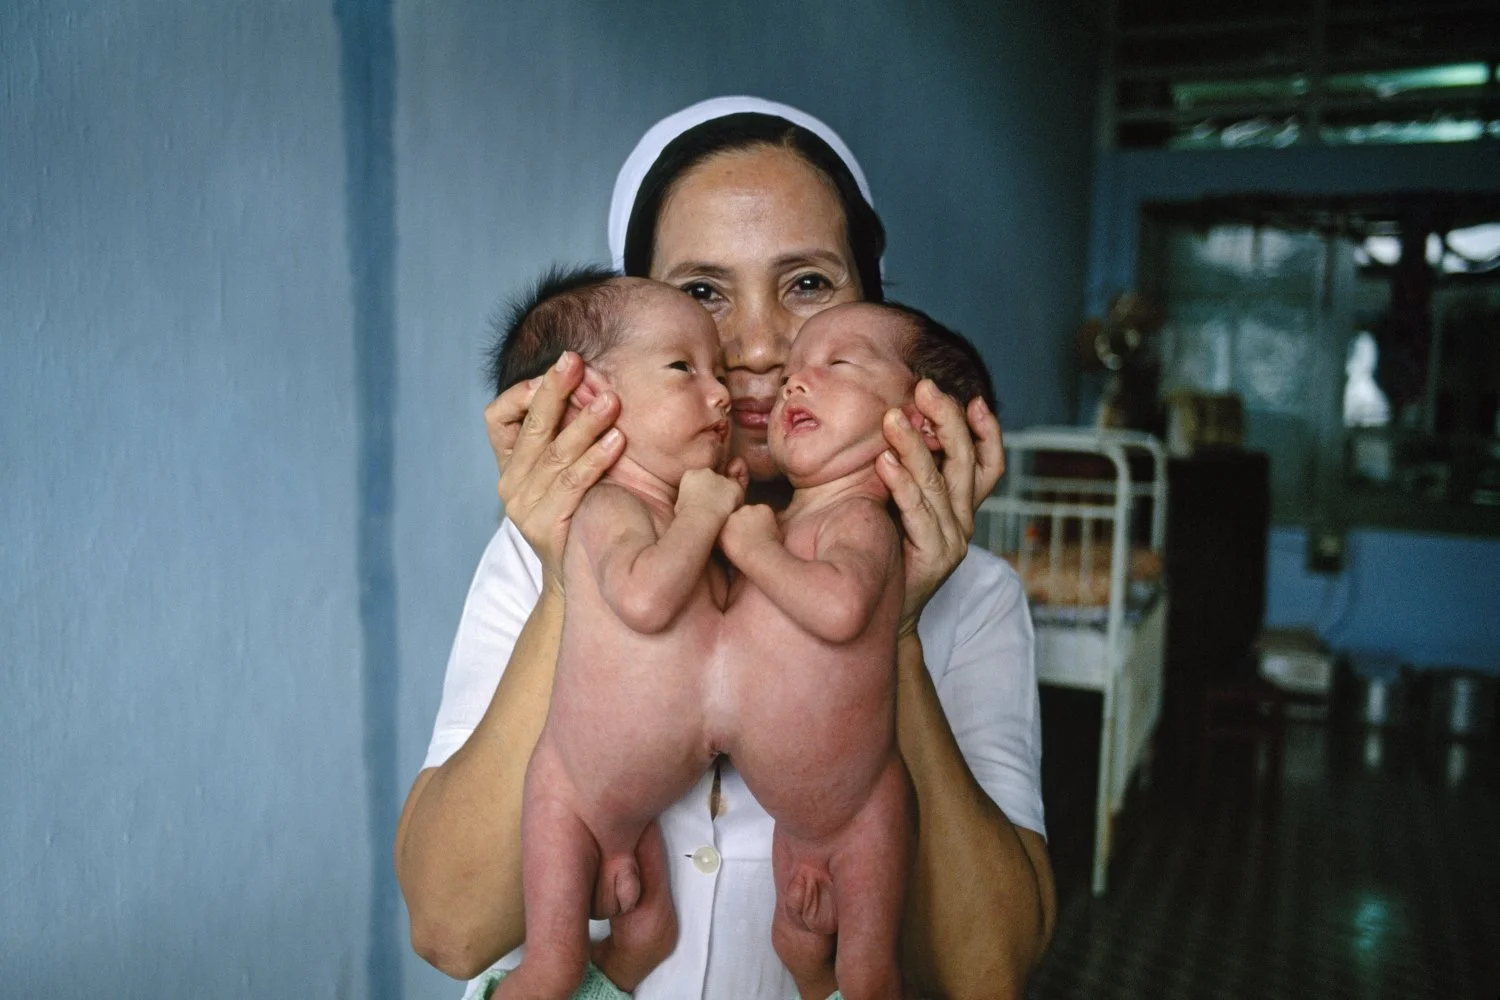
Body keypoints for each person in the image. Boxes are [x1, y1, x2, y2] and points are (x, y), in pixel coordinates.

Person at [396, 97, 1056, 1000]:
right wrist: (566, 585)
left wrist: (894, 630)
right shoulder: (543, 557)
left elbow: (986, 972)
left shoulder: (969, 593)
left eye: (808, 284)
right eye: (702, 293)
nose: (756, 347)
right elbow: (450, 927)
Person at [717, 301, 1000, 1000]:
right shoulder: (779, 519)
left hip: (862, 813)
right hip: (796, 818)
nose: (792, 382)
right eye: (794, 371)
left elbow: (841, 607)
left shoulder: (858, 521)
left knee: (869, 974)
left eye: (836, 364)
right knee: (796, 947)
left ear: (921, 423)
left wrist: (753, 551)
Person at [485, 268, 746, 997]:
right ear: (589, 399)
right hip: (571, 800)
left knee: (648, 937)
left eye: (720, 373)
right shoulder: (609, 510)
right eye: (683, 369)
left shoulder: (676, 514)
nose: (722, 394)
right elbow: (645, 596)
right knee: (553, 966)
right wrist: (704, 513)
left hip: (642, 805)